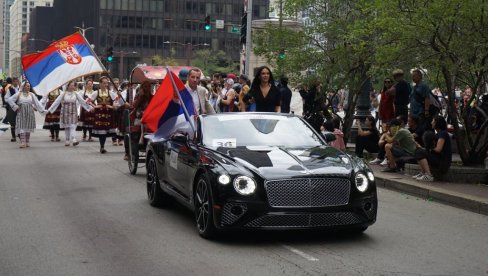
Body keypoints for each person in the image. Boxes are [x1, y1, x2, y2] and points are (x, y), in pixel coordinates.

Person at [47, 81, 93, 146]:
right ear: (67, 86)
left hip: (73, 111)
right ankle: (67, 140)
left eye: (73, 85)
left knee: (73, 125)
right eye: (71, 85)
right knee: (67, 127)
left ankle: (74, 139)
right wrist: (49, 110)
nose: (72, 87)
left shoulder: (76, 93)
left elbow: (82, 102)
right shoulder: (63, 94)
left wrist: (90, 108)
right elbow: (56, 102)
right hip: (65, 112)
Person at [6, 82, 45, 148]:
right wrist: (15, 107)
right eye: (27, 86)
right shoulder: (19, 94)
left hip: (29, 112)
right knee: (21, 126)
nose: (28, 87)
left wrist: (42, 110)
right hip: (21, 112)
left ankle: (27, 141)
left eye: (29, 86)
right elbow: (10, 100)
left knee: (28, 126)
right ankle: (22, 142)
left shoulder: (31, 94)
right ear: (23, 87)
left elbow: (37, 103)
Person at [413, 116, 452, 182]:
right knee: (418, 151)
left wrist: (428, 149)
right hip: (439, 159)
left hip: (443, 162)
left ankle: (429, 175)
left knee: (420, 152)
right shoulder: (438, 134)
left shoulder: (443, 134)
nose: (431, 123)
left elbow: (438, 149)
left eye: (433, 121)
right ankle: (423, 173)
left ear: (438, 123)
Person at [124, 80, 153, 160]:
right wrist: (141, 96)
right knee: (138, 127)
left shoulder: (152, 97)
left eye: (148, 87)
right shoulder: (138, 96)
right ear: (142, 88)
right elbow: (134, 106)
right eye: (145, 87)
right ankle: (134, 152)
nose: (147, 89)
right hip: (139, 118)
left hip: (150, 118)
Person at [89, 76, 118, 153]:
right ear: (100, 84)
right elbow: (88, 101)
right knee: (101, 131)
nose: (106, 85)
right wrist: (95, 106)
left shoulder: (110, 93)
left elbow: (116, 99)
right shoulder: (96, 92)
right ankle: (102, 147)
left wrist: (113, 106)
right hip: (99, 114)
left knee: (106, 131)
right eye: (104, 83)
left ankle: (103, 146)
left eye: (107, 83)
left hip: (108, 113)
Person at [3, 77, 20, 141]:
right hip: (12, 107)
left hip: (20, 107)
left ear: (18, 82)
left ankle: (19, 134)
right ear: (12, 82)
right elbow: (6, 98)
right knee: (12, 122)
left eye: (16, 81)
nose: (15, 82)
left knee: (20, 121)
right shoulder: (10, 89)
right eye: (14, 81)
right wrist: (11, 103)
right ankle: (13, 136)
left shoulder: (21, 89)